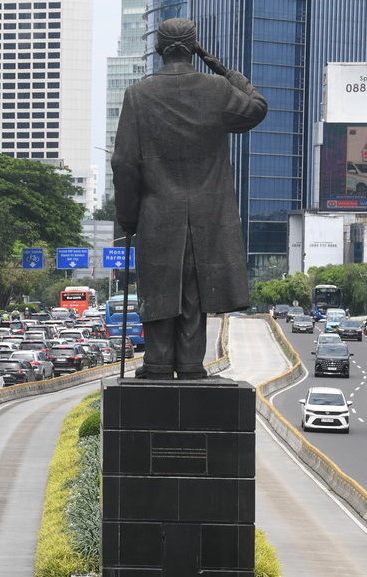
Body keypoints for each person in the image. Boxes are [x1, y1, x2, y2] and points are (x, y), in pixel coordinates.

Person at [112, 18, 267, 380]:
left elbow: (123, 162)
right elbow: (256, 107)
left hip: (155, 213)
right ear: (193, 47)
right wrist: (222, 68)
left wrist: (128, 216)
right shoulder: (216, 90)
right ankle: (192, 365)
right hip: (206, 214)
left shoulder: (138, 95)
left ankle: (157, 363)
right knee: (194, 292)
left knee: (158, 290)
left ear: (158, 48)